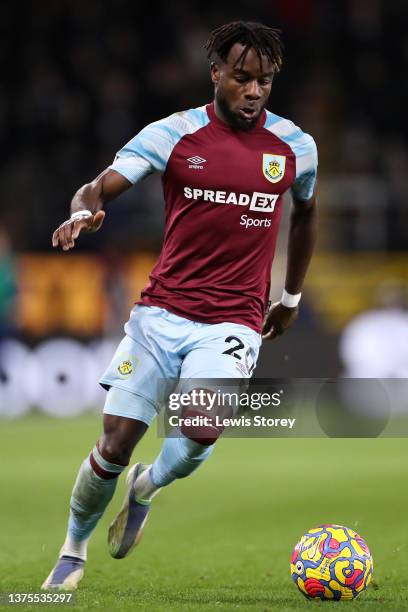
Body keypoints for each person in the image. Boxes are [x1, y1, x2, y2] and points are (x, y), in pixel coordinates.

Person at [42, 20, 318, 590]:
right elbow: (99, 187)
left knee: (199, 431)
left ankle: (147, 487)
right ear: (216, 72)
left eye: (265, 81)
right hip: (161, 313)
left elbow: (307, 214)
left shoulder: (295, 146)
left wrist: (289, 295)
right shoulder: (173, 134)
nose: (254, 92)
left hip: (234, 319)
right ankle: (72, 550)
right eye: (242, 78)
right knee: (115, 440)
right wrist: (81, 211)